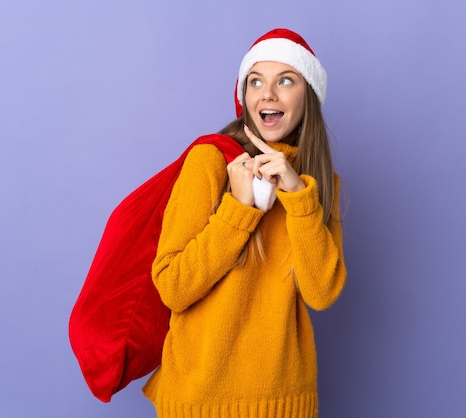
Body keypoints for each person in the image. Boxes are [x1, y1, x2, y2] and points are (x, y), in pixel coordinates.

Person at [142, 28, 347, 418]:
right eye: (256, 81)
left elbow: (321, 293)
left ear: (309, 97)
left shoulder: (318, 184)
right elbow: (173, 287)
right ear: (245, 96)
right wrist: (239, 206)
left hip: (285, 401)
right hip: (199, 400)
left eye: (285, 80)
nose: (268, 93)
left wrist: (297, 197)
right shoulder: (210, 162)